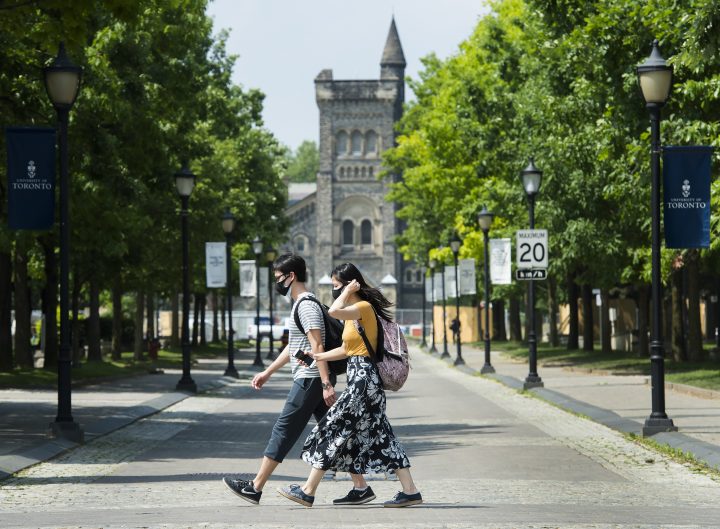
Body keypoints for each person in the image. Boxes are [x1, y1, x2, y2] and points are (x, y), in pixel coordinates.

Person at [222, 254, 369, 504]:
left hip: (311, 379)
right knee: (334, 432)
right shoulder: (299, 304)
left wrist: (325, 383)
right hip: (313, 378)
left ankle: (255, 487)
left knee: (284, 429)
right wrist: (268, 372)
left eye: (278, 277)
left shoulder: (306, 305)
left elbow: (317, 345)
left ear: (291, 276)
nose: (276, 282)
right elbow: (295, 346)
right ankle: (361, 487)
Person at [277, 262, 422, 508]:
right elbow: (347, 349)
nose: (334, 290)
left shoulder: (362, 307)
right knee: (383, 437)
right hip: (361, 378)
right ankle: (407, 491)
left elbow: (333, 311)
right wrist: (317, 357)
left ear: (349, 284)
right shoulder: (355, 314)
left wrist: (345, 293)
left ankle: (307, 490)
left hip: (363, 381)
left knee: (334, 428)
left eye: (336, 285)